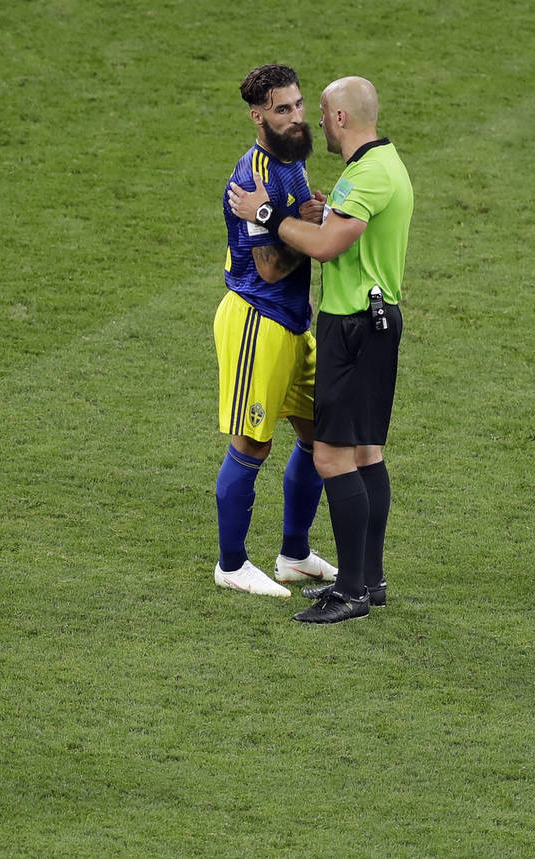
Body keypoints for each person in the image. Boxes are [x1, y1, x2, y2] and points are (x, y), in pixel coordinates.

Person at [228, 76, 414, 623]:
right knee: (367, 454)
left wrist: (267, 215)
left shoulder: (368, 174)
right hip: (372, 322)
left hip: (354, 327)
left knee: (333, 457)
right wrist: (319, 211)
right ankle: (369, 582)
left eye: (317, 110)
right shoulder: (381, 164)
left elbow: (329, 246)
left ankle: (352, 591)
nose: (309, 121)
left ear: (340, 119)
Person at [212, 64, 338, 599]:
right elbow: (268, 267)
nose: (296, 116)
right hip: (256, 321)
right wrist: (309, 234)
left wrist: (310, 217)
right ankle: (231, 564)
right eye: (282, 109)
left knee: (319, 436)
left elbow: (295, 227)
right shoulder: (251, 178)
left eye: (299, 104)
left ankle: (294, 555)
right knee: (252, 444)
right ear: (257, 116)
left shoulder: (293, 159)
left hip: (293, 321)